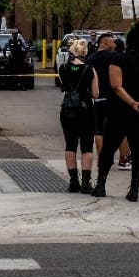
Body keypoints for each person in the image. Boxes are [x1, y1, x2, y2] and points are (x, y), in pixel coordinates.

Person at [92, 21, 139, 202]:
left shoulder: (117, 60)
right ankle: (134, 189)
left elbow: (116, 86)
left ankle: (101, 184)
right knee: (138, 150)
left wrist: (132, 102)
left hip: (118, 111)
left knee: (109, 148)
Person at [57, 37, 99, 194]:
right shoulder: (90, 70)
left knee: (70, 145)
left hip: (67, 110)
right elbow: (95, 94)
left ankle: (73, 181)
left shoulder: (62, 68)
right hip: (86, 110)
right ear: (84, 52)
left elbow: (64, 85)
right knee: (87, 146)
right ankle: (86, 182)